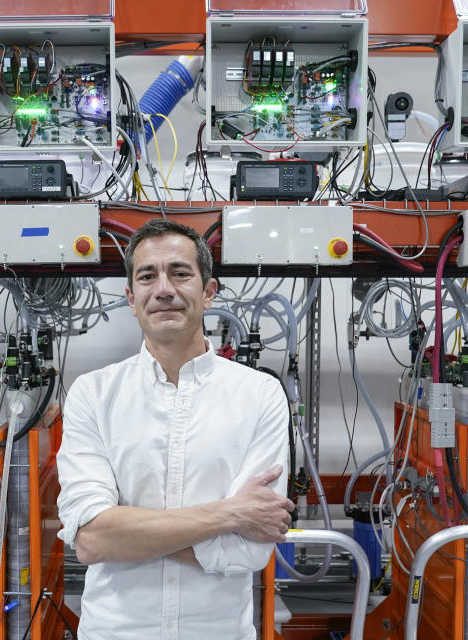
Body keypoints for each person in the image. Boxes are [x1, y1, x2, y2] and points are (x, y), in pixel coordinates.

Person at [56, 218, 294, 639]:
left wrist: (129, 536)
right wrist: (230, 513)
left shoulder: (259, 395)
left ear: (209, 291)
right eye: (148, 276)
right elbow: (92, 540)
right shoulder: (92, 395)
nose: (163, 288)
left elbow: (251, 548)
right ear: (132, 298)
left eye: (180, 273)